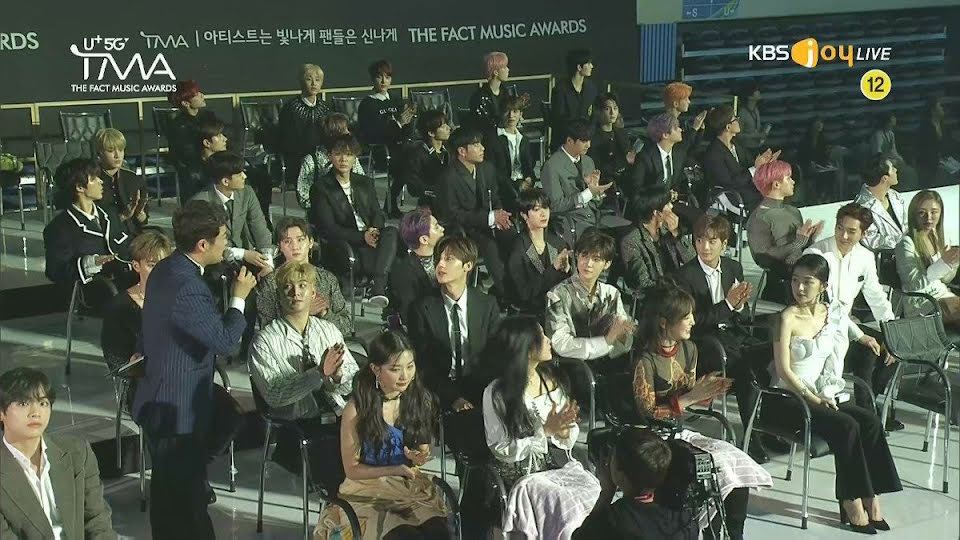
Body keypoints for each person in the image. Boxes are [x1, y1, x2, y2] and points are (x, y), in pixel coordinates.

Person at [132, 200, 255, 539]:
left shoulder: (167, 268)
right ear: (203, 244)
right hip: (176, 409)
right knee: (187, 504)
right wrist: (239, 298)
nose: (226, 243)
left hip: (162, 396)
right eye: (223, 237)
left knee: (170, 499)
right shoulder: (188, 287)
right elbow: (225, 341)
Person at [770, 254, 901, 534]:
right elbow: (784, 371)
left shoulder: (831, 314)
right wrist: (814, 398)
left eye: (808, 282)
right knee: (847, 426)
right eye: (795, 280)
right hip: (790, 398)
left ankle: (871, 495)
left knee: (869, 421)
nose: (799, 288)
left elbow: (840, 349)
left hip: (821, 393)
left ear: (824, 286)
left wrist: (826, 393)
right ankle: (850, 500)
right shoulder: (786, 318)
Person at [631, 284, 772, 540]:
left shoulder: (689, 349)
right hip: (650, 437)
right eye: (686, 317)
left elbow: (688, 395)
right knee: (709, 468)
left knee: (735, 462)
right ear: (664, 322)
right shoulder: (645, 359)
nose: (693, 322)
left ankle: (734, 534)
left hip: (679, 430)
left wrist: (706, 391)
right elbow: (648, 412)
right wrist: (690, 397)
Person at [315, 330, 450, 540]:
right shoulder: (357, 409)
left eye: (410, 366)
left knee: (438, 532)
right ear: (375, 369)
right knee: (402, 536)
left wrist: (418, 456)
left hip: (405, 484)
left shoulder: (420, 400)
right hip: (365, 488)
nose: (405, 376)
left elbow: (421, 451)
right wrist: (396, 468)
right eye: (395, 369)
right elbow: (352, 469)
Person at [482, 316, 601, 539]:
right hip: (518, 473)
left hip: (551, 466)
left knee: (591, 493)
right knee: (566, 508)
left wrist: (563, 430)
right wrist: (544, 432)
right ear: (527, 349)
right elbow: (500, 447)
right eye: (542, 336)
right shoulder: (497, 393)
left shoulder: (550, 380)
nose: (549, 340)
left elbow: (564, 436)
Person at [249, 260, 359, 488]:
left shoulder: (328, 330)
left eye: (302, 286)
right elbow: (275, 395)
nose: (295, 293)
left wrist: (336, 376)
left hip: (337, 416)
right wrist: (317, 374)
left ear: (313, 293)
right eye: (287, 287)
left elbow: (352, 378)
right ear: (279, 296)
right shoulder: (264, 341)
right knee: (343, 472)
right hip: (296, 425)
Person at [675, 214, 775, 462]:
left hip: (734, 335)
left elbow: (740, 314)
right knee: (746, 371)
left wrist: (739, 306)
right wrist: (728, 305)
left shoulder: (732, 267)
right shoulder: (684, 276)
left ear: (724, 243)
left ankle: (768, 427)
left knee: (775, 355)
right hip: (704, 343)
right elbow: (691, 321)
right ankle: (752, 438)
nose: (705, 247)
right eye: (699, 240)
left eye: (712, 241)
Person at [0, 367, 117, 539]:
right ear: (2, 413)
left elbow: (97, 520)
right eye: (24, 403)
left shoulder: (77, 452)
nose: (36, 413)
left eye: (43, 403)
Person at [804, 204, 894, 410]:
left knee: (892, 350)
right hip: (818, 325)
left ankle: (869, 406)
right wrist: (860, 335)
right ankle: (865, 410)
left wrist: (891, 333)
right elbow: (827, 304)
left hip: (844, 324)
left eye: (851, 231)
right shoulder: (817, 254)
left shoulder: (865, 257)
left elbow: (876, 297)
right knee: (869, 351)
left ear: (864, 233)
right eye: (839, 228)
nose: (843, 236)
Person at [408, 235, 501, 411]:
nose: (440, 265)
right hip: (438, 389)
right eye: (438, 259)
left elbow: (494, 357)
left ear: (468, 266)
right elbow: (423, 364)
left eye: (449, 259)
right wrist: (453, 398)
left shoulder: (487, 305)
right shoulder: (422, 308)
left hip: (480, 387)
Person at [545, 229, 635, 413]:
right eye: (584, 256)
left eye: (596, 259)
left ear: (607, 264)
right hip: (574, 365)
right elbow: (560, 344)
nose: (588, 264)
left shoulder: (611, 293)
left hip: (608, 361)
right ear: (576, 256)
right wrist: (606, 341)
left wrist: (624, 333)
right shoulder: (557, 295)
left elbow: (622, 335)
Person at [310, 134, 398, 307]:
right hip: (345, 244)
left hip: (371, 237)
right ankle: (379, 286)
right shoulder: (320, 188)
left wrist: (374, 230)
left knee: (392, 232)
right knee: (394, 258)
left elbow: (377, 213)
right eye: (338, 154)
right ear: (330, 156)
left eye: (349, 154)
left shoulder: (364, 182)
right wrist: (362, 237)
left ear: (355, 157)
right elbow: (329, 228)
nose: (343, 159)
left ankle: (378, 286)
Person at [43, 157, 135, 314]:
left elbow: (126, 244)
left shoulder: (109, 214)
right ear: (80, 187)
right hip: (95, 290)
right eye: (94, 178)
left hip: (125, 280)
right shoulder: (59, 228)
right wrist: (90, 263)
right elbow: (55, 271)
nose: (101, 181)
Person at [574, 427, 699, 539]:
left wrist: (606, 492)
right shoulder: (685, 520)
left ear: (621, 475)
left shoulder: (614, 521)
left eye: (612, 458)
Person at [435, 127, 513, 300]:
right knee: (490, 246)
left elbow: (495, 197)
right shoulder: (448, 178)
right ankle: (508, 295)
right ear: (462, 151)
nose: (482, 148)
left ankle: (522, 287)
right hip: (465, 230)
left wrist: (501, 216)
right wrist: (489, 218)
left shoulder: (487, 169)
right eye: (476, 145)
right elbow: (451, 215)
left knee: (515, 236)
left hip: (491, 222)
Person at [256, 216, 352, 335]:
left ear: (310, 242)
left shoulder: (327, 279)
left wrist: (325, 313)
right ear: (279, 247)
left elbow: (347, 326)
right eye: (287, 241)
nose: (295, 247)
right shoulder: (272, 282)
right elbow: (267, 329)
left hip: (327, 341)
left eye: (300, 240)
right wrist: (302, 312)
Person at [745, 159, 823, 303]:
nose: (793, 182)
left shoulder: (793, 211)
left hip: (800, 265)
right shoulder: (759, 218)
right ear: (776, 184)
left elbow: (800, 246)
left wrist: (810, 238)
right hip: (782, 277)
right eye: (788, 178)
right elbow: (763, 256)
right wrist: (797, 244)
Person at [190, 151, 274, 276]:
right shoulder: (202, 202)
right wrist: (243, 254)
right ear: (225, 181)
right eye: (239, 174)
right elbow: (206, 245)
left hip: (247, 258)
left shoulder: (247, 192)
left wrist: (267, 261)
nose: (245, 176)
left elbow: (259, 226)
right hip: (215, 261)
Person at [100, 230, 173, 374]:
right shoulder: (119, 307)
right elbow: (115, 361)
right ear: (136, 266)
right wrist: (132, 364)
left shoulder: (180, 297)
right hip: (143, 381)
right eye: (152, 265)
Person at [540, 120, 616, 246]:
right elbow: (555, 206)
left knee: (626, 231)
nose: (589, 145)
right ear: (569, 141)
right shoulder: (551, 166)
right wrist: (587, 193)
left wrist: (596, 193)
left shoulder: (588, 161)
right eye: (584, 141)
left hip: (595, 217)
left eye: (589, 140)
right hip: (570, 221)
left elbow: (596, 203)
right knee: (600, 243)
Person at [357, 59, 417, 216]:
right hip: (381, 149)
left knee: (418, 155)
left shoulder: (396, 101)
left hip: (401, 146)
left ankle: (423, 199)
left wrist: (409, 123)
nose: (384, 81)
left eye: (388, 77)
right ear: (373, 79)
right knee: (408, 161)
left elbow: (406, 129)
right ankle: (391, 202)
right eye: (379, 77)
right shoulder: (367, 104)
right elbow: (373, 134)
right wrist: (398, 124)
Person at [619, 185, 695, 301]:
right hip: (654, 298)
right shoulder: (631, 240)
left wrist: (676, 234)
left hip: (676, 292)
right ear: (657, 213)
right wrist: (673, 290)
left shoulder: (667, 230)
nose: (671, 206)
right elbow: (642, 283)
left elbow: (692, 260)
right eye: (667, 204)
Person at [896, 190, 960, 325]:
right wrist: (943, 263)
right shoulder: (906, 243)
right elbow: (913, 284)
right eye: (922, 213)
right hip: (921, 303)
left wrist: (953, 263)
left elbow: (946, 279)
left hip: (942, 295)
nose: (928, 218)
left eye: (934, 212)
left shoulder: (937, 237)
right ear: (914, 215)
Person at [506, 189, 571, 317]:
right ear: (524, 215)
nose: (543, 214)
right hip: (528, 315)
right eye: (536, 209)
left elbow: (566, 285)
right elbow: (525, 293)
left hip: (556, 310)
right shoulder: (518, 247)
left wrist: (567, 271)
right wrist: (553, 269)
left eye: (545, 208)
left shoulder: (557, 242)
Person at [702, 105, 779, 210]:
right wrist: (755, 168)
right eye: (735, 119)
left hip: (747, 190)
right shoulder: (713, 153)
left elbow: (750, 164)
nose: (738, 120)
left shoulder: (736, 144)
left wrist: (765, 163)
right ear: (728, 127)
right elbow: (729, 183)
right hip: (733, 196)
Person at [296, 112, 365, 210]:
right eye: (345, 130)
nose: (349, 133)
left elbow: (362, 185)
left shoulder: (351, 158)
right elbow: (303, 197)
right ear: (334, 135)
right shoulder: (311, 161)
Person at [279, 63, 330, 187]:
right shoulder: (290, 108)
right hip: (297, 157)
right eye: (309, 79)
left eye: (317, 80)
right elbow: (287, 139)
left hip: (323, 155)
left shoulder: (325, 107)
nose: (313, 84)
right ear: (301, 82)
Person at [390, 208, 444, 325]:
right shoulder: (403, 271)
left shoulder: (444, 258)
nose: (442, 229)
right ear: (424, 239)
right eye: (436, 227)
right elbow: (409, 313)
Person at [166, 80, 213, 202]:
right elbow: (184, 155)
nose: (202, 96)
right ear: (186, 103)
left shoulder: (209, 117)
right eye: (197, 94)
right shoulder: (178, 126)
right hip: (194, 167)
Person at [488, 95, 536, 214]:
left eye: (515, 111)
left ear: (520, 114)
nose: (511, 116)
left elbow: (529, 168)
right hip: (503, 188)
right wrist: (516, 185)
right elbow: (493, 171)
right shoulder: (493, 139)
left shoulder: (524, 140)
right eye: (507, 111)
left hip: (523, 186)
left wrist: (529, 179)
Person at [95, 128, 148, 234]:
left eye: (120, 150)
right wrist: (123, 216)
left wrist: (140, 215)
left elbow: (143, 221)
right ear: (100, 152)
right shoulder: (93, 181)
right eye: (111, 151)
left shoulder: (134, 179)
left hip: (132, 235)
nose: (117, 155)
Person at [854, 153, 907, 252]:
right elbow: (871, 241)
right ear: (884, 178)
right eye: (892, 169)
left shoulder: (896, 196)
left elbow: (906, 225)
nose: (896, 170)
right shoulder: (861, 207)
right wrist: (903, 241)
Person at [549, 48, 598, 151]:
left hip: (586, 141)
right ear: (579, 67)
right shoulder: (560, 90)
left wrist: (588, 135)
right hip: (565, 142)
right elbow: (559, 120)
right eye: (588, 63)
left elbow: (594, 116)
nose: (592, 66)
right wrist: (578, 137)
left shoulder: (591, 88)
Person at [399, 109, 450, 202]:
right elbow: (413, 183)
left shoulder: (448, 152)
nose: (448, 128)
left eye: (447, 124)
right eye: (443, 126)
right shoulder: (418, 153)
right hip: (429, 199)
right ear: (431, 133)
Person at [588, 92, 633, 191]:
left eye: (615, 108)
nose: (612, 113)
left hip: (624, 180)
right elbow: (597, 167)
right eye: (607, 109)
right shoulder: (593, 138)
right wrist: (623, 161)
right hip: (604, 182)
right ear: (599, 111)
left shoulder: (621, 134)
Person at [916, 96, 959, 188]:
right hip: (932, 161)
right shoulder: (925, 127)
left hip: (946, 158)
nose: (942, 108)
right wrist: (939, 160)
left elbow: (950, 143)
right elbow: (925, 149)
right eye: (940, 106)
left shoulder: (943, 125)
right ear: (933, 110)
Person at [469, 51, 512, 140]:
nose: (508, 70)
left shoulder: (505, 93)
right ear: (495, 72)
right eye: (504, 67)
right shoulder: (479, 97)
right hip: (488, 139)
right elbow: (484, 125)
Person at [662, 82, 707, 153]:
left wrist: (700, 130)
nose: (689, 102)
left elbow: (692, 150)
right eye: (686, 99)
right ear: (675, 104)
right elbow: (680, 149)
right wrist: (694, 128)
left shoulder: (681, 123)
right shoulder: (665, 125)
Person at [734, 82, 767, 159]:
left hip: (757, 147)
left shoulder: (756, 109)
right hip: (747, 150)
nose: (758, 92)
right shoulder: (742, 113)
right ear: (749, 97)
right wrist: (755, 136)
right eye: (756, 91)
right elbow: (738, 135)